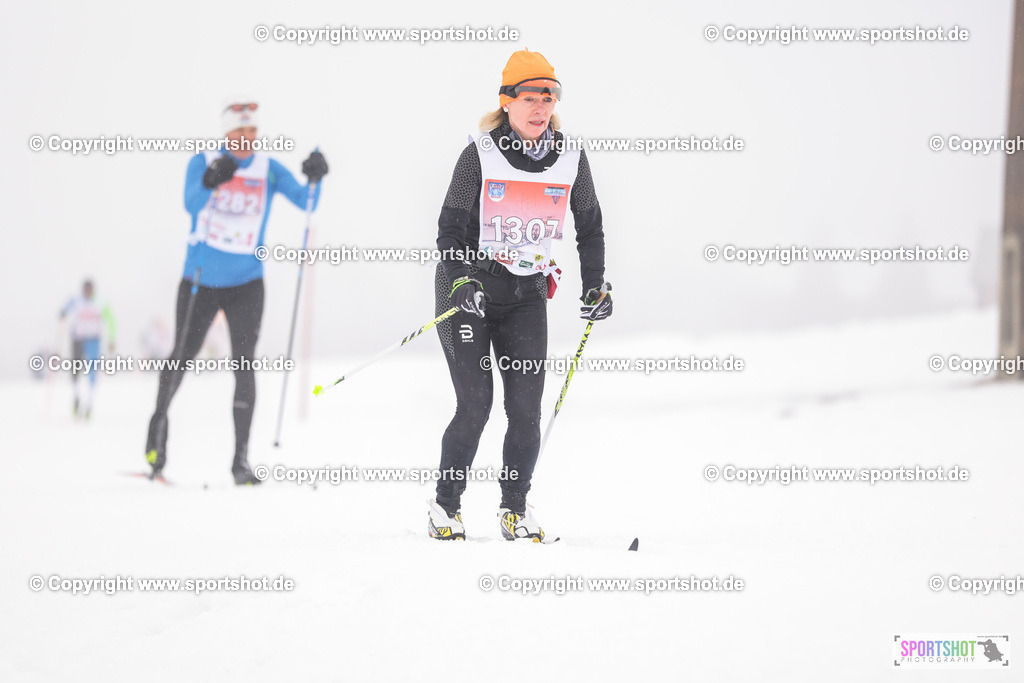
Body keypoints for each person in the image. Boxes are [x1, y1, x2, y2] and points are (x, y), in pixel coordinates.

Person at [427, 50, 613, 541]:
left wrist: (594, 285)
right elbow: (449, 228)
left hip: (526, 295)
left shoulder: (571, 158)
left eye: (548, 98)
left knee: (526, 411)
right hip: (468, 290)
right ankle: (446, 507)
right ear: (507, 101)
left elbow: (590, 228)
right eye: (530, 97)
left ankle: (514, 509)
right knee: (476, 405)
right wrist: (461, 278)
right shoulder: (480, 154)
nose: (540, 108)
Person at [145, 98, 329, 485]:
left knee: (244, 365)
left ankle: (240, 461)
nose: (247, 137)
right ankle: (156, 439)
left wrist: (317, 175)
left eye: (252, 131)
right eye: (240, 131)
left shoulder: (268, 169)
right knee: (182, 356)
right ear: (227, 133)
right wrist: (213, 180)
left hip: (247, 282)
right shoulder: (203, 161)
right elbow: (191, 204)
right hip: (200, 281)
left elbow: (306, 202)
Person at [59, 279, 116, 419]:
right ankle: (76, 397)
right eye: (85, 290)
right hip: (78, 339)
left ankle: (89, 403)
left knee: (92, 370)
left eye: (89, 290)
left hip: (93, 340)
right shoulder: (76, 300)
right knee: (75, 369)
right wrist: (63, 313)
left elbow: (111, 320)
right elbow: (65, 309)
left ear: (93, 290)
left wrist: (112, 338)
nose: (87, 293)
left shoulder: (101, 303)